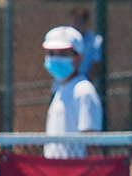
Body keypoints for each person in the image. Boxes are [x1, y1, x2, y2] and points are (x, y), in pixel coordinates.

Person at [42, 26, 103, 159]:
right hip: (54, 174)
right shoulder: (60, 90)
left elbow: (92, 144)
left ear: (78, 58)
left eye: (63, 54)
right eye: (51, 53)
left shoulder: (84, 91)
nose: (55, 58)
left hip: (75, 175)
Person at [69, 7, 104, 85]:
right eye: (73, 22)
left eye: (77, 22)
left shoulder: (95, 41)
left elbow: (96, 65)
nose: (74, 25)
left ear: (86, 23)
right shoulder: (68, 39)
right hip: (66, 83)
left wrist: (85, 84)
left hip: (84, 83)